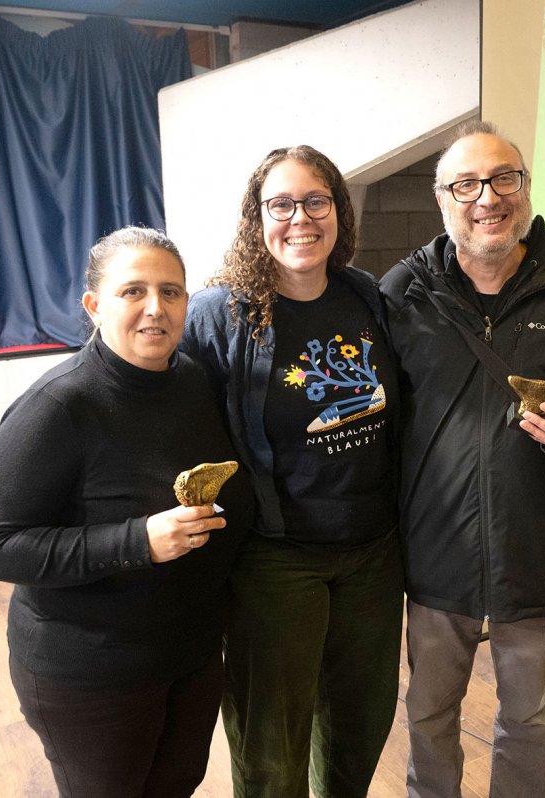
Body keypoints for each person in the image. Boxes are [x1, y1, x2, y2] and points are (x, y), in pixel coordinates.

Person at [379, 121, 545, 797]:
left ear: (524, 188)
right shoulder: (404, 293)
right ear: (442, 199)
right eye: (466, 184)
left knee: (527, 716)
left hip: (538, 544)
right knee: (429, 712)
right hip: (435, 548)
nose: (487, 198)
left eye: (504, 178)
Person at [0, 226, 254, 797]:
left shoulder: (194, 381)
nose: (155, 308)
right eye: (133, 291)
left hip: (191, 654)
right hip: (92, 674)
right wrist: (138, 540)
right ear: (95, 306)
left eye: (171, 292)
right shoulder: (57, 406)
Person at [181, 145, 403, 798]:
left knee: (360, 724)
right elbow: (167, 415)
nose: (299, 218)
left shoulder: (366, 296)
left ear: (338, 212)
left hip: (373, 554)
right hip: (275, 558)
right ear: (257, 217)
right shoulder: (219, 313)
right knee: (272, 746)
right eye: (281, 204)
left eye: (315, 201)